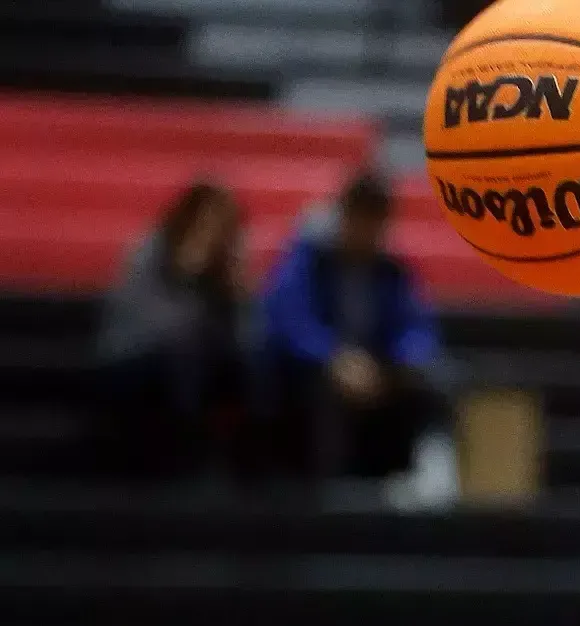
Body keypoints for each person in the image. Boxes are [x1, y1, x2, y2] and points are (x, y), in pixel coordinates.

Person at [261, 172, 455, 503]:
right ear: (344, 214)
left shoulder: (391, 270)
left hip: (378, 373)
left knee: (437, 381)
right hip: (317, 372)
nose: (365, 231)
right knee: (317, 393)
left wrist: (399, 363)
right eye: (359, 218)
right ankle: (328, 494)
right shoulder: (308, 258)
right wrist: (334, 358)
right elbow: (289, 321)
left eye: (374, 222)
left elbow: (418, 329)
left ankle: (428, 484)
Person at [94, 182, 255, 480]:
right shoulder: (148, 254)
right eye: (205, 222)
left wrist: (238, 298)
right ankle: (179, 468)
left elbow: (243, 343)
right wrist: (186, 278)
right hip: (135, 360)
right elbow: (144, 330)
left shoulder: (225, 272)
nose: (211, 234)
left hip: (199, 368)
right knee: (183, 353)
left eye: (221, 225)